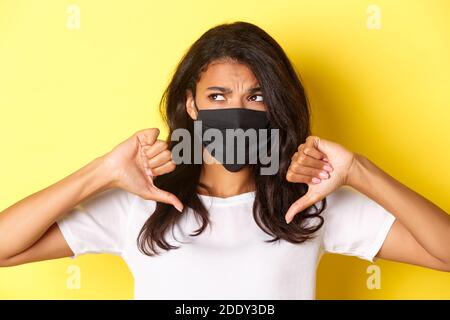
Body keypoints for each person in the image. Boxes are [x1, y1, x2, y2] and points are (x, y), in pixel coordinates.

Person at [0, 22, 448, 300]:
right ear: (191, 107)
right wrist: (102, 173)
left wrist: (359, 171)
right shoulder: (140, 204)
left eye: (256, 96)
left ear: (275, 107)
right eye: (218, 96)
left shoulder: (307, 204)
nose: (237, 110)